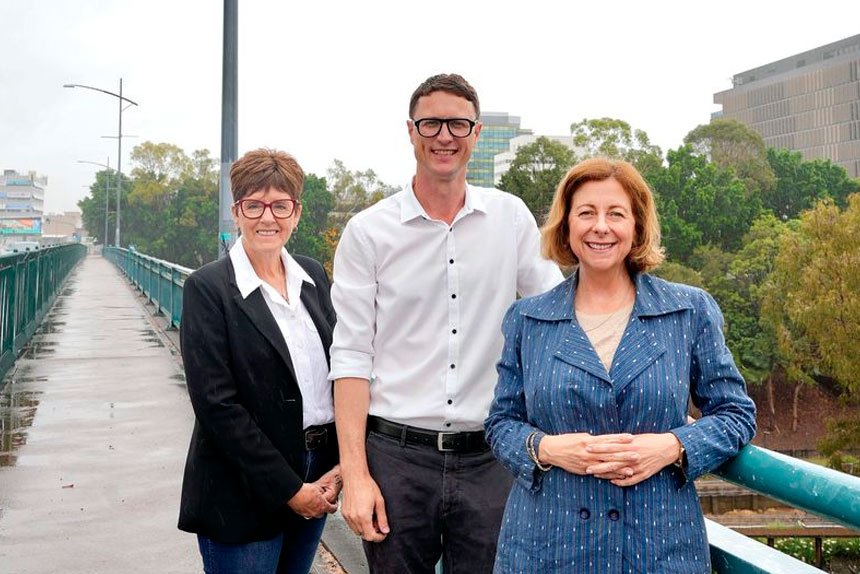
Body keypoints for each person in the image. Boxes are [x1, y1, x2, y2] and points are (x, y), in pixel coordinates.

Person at [330, 73, 563, 573]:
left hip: (490, 459)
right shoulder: (368, 233)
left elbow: (558, 317)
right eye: (431, 123)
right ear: (410, 131)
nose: (444, 136)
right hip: (396, 459)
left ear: (476, 133)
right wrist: (355, 472)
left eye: (458, 124)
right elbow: (350, 355)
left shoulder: (511, 218)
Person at [484, 157, 757, 573]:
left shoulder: (688, 311)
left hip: (657, 544)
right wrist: (548, 449)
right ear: (566, 225)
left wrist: (673, 447)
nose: (601, 227)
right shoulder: (528, 319)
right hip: (548, 545)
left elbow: (736, 414)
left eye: (616, 214)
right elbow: (501, 423)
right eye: (586, 213)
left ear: (637, 226)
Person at [178, 148, 341, 574]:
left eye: (280, 205)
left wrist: (341, 466)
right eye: (255, 205)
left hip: (318, 471)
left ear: (297, 212)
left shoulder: (312, 277)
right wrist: (291, 489)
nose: (268, 217)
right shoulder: (207, 288)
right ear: (237, 211)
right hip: (242, 486)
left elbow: (340, 366)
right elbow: (217, 405)